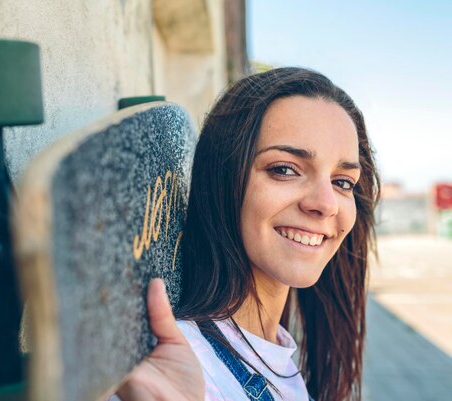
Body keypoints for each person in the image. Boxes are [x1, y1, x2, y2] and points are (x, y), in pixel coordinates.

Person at [117, 67, 379, 401]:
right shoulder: (184, 369)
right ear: (223, 180)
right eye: (284, 169)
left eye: (342, 182)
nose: (326, 204)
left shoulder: (276, 356)